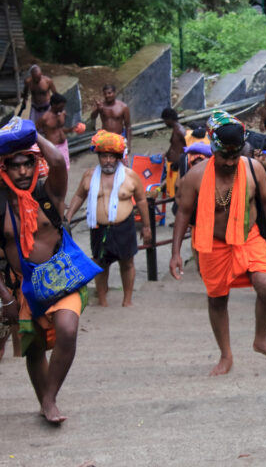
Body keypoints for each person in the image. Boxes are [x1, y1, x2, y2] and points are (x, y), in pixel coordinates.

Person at [170, 110, 266, 376]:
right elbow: (184, 214)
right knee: (217, 299)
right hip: (213, 244)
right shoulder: (195, 177)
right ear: (213, 149)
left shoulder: (253, 168)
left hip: (249, 237)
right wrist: (176, 252)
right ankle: (226, 355)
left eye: (236, 155)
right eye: (225, 156)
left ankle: (260, 340)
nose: (232, 162)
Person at [0, 119, 87, 423]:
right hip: (21, 286)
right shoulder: (1, 205)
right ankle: (44, 401)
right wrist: (6, 297)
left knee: (67, 329)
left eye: (28, 163)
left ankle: (50, 400)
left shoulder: (50, 192)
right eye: (15, 165)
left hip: (61, 277)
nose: (23, 171)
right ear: (4, 169)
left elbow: (57, 161)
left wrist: (27, 131)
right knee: (34, 349)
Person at [66, 131, 152, 307]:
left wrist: (146, 226)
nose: (108, 161)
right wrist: (66, 219)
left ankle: (127, 301)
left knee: (127, 262)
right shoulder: (89, 175)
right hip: (98, 227)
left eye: (112, 157)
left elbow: (142, 200)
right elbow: (79, 196)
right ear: (98, 157)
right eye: (104, 156)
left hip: (124, 226)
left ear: (119, 157)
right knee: (100, 264)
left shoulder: (130, 176)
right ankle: (102, 301)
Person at [34, 93, 83, 170]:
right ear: (53, 105)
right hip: (53, 146)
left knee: (66, 167)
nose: (63, 108)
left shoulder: (62, 113)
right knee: (54, 169)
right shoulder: (45, 118)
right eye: (61, 106)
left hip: (63, 144)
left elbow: (60, 129)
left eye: (63, 106)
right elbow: (34, 131)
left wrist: (71, 129)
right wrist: (41, 144)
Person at [91, 84, 132, 156]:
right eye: (105, 94)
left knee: (122, 162)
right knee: (107, 162)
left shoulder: (123, 107)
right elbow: (93, 117)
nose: (107, 95)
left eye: (109, 93)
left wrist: (128, 144)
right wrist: (97, 109)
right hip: (105, 139)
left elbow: (128, 126)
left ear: (114, 93)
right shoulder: (101, 106)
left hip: (119, 137)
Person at [162, 108, 186, 199]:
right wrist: (166, 153)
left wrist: (180, 162)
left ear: (169, 119)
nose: (165, 123)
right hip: (171, 165)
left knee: (175, 194)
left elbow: (187, 147)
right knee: (171, 193)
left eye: (165, 120)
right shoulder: (175, 129)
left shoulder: (180, 131)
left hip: (176, 165)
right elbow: (174, 145)